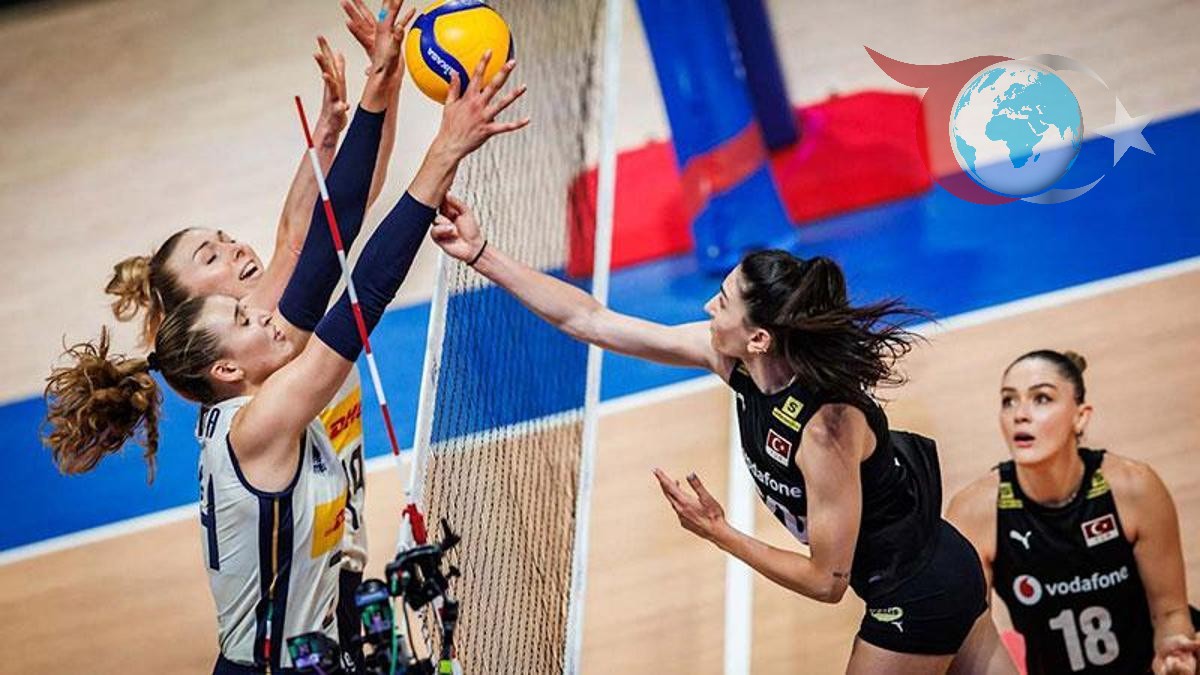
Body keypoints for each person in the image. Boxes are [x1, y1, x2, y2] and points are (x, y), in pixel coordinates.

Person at [43, 20, 528, 673]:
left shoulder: (254, 373)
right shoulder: (260, 418)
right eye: (243, 315)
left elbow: (326, 241)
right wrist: (443, 150)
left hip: (322, 622)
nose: (270, 319)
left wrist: (380, 88)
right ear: (224, 362)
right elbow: (359, 290)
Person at [428, 200, 1016, 674]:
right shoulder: (732, 361)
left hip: (914, 595)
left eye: (725, 301)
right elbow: (591, 321)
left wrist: (718, 531)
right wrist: (481, 254)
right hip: (939, 567)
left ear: (759, 338)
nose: (710, 305)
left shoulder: (825, 429)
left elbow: (826, 581)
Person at [101, 5, 407, 666]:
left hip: (332, 579)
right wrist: (377, 91)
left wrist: (382, 85)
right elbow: (314, 238)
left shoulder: (263, 332)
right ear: (193, 313)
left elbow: (322, 219)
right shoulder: (267, 357)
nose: (235, 247)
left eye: (223, 237)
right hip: (303, 612)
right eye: (210, 257)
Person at [947, 349, 1200, 674]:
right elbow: (971, 646)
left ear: (1080, 416)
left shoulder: (1135, 488)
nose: (1020, 414)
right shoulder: (974, 511)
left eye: (1041, 398)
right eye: (1008, 400)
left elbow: (1170, 613)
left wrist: (1175, 655)